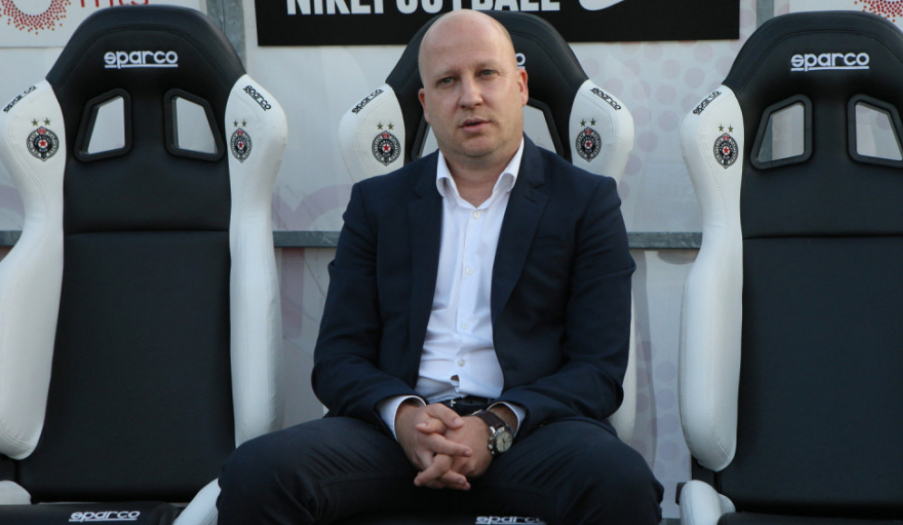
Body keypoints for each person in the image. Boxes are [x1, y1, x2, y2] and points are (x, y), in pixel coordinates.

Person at [217, 9, 663, 524]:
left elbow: (598, 370)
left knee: (620, 482)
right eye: (448, 81)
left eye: (486, 74)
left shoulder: (586, 201)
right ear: (426, 105)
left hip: (531, 436)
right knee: (258, 473)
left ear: (520, 86)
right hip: (394, 440)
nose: (470, 96)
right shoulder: (377, 205)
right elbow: (338, 358)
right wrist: (406, 419)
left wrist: (494, 426)